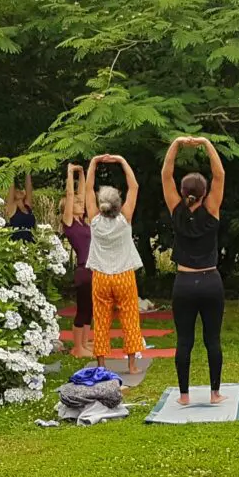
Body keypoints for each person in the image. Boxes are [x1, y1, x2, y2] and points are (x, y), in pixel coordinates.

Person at [161, 136, 227, 405]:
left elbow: (165, 173)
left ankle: (184, 396)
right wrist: (206, 143)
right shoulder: (211, 209)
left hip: (184, 283)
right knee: (212, 339)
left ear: (182, 190)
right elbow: (219, 174)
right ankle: (215, 394)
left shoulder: (176, 210)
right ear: (204, 192)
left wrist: (176, 143)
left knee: (184, 340)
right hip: (210, 281)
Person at [84, 154, 144, 373]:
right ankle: (132, 364)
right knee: (129, 318)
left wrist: (93, 162)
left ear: (101, 204)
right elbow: (134, 186)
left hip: (100, 276)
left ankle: (101, 364)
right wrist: (122, 160)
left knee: (100, 320)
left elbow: (88, 189)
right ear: (119, 204)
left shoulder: (94, 219)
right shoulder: (124, 219)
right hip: (124, 275)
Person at [61, 163, 93, 358]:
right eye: (77, 204)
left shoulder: (82, 222)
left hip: (92, 268)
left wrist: (82, 173)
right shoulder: (69, 222)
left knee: (90, 310)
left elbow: (81, 194)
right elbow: (72, 196)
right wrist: (70, 173)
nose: (81, 205)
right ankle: (77, 347)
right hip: (82, 270)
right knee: (82, 310)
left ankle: (84, 343)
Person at [5, 172, 35, 242]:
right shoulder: (11, 207)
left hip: (31, 245)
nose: (20, 190)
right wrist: (11, 170)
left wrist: (27, 168)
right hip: (17, 246)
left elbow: (29, 187)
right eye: (17, 189)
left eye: (21, 189)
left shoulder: (27, 206)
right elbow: (11, 187)